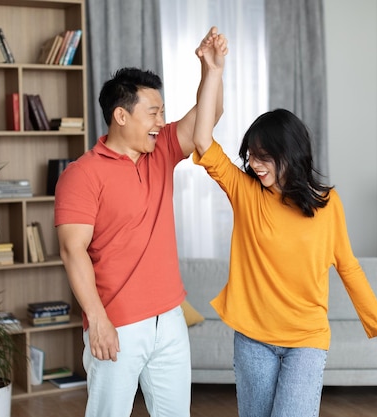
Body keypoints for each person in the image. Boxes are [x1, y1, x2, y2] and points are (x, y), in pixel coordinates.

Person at [193, 35, 377, 416]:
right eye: (251, 155)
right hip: (252, 338)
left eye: (265, 156)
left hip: (307, 338)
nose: (255, 164)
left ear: (291, 154)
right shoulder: (246, 192)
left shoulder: (326, 203)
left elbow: (348, 267)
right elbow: (203, 140)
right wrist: (213, 72)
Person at [54, 28, 228, 417]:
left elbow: (209, 116)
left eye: (162, 112)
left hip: (169, 318)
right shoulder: (81, 175)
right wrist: (97, 320)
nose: (160, 120)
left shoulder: (161, 150)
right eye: (153, 112)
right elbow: (72, 249)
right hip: (116, 322)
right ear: (121, 115)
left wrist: (212, 71)